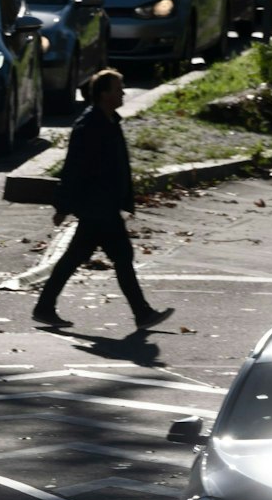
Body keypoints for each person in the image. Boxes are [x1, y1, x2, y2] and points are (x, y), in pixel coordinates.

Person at [32, 69, 173, 330]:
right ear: (104, 94)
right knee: (121, 256)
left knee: (76, 258)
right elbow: (74, 168)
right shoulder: (89, 126)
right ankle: (142, 313)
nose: (123, 93)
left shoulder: (109, 121)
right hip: (97, 206)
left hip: (102, 205)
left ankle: (44, 306)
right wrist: (62, 205)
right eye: (118, 88)